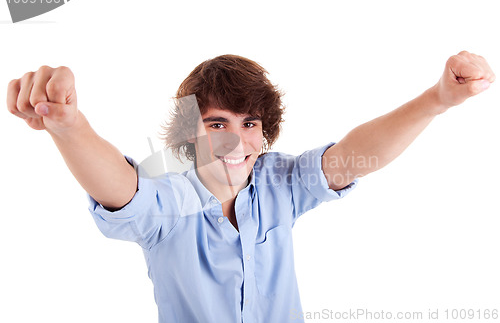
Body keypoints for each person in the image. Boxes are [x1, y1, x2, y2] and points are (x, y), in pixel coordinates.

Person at [6, 52, 495, 322]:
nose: (238, 140)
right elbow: (122, 187)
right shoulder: (169, 198)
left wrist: (438, 99)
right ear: (189, 136)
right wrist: (69, 126)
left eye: (251, 123)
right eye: (217, 124)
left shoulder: (278, 183)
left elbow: (349, 159)